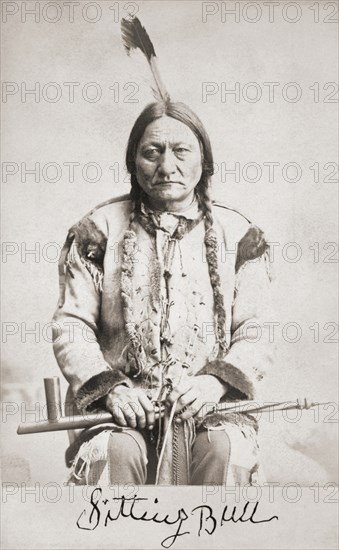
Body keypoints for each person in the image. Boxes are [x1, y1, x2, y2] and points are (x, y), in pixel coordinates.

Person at [52, 101, 273, 485]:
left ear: (203, 161)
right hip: (120, 412)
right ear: (133, 162)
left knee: (223, 451)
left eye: (181, 151)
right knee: (113, 453)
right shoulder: (97, 231)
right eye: (151, 152)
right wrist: (113, 390)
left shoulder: (239, 235)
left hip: (210, 407)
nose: (166, 166)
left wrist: (214, 383)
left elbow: (257, 329)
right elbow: (72, 325)